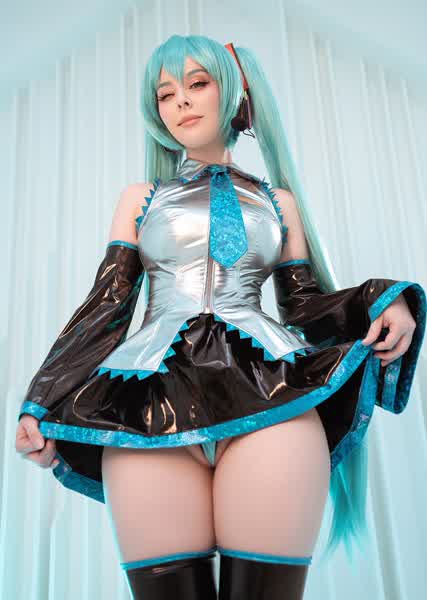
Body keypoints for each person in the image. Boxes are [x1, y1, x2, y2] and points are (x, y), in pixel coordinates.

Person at [15, 34, 426, 600]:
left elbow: (303, 304)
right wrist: (41, 400)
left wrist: (383, 298)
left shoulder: (279, 203)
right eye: (165, 94)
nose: (180, 101)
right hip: (147, 402)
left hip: (270, 394)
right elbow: (109, 302)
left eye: (197, 83)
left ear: (234, 92)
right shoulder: (140, 198)